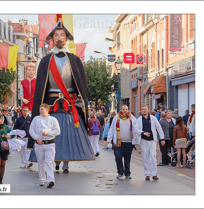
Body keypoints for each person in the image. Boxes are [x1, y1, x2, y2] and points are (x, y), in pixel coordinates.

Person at [28, 15, 95, 173]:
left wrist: (82, 104)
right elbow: (40, 89)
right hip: (50, 105)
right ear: (52, 38)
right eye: (56, 35)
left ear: (67, 38)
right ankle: (53, 161)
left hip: (69, 105)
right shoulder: (45, 60)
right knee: (52, 135)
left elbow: (81, 86)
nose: (59, 38)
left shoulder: (74, 60)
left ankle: (66, 163)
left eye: (62, 35)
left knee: (69, 136)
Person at [29, 104, 60, 188]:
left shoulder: (53, 119)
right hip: (39, 144)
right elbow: (31, 130)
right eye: (40, 109)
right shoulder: (36, 119)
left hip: (50, 144)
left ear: (47, 110)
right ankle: (42, 180)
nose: (40, 111)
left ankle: (50, 180)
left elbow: (57, 131)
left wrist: (48, 133)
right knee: (40, 163)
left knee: (49, 162)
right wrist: (36, 138)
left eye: (42, 109)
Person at [107, 105, 138, 179]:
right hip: (118, 142)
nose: (125, 111)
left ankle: (127, 173)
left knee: (127, 158)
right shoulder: (116, 117)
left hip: (128, 142)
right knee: (118, 156)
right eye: (123, 109)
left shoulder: (132, 118)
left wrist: (137, 140)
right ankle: (120, 172)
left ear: (128, 110)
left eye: (126, 109)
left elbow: (136, 129)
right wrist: (109, 140)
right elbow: (111, 129)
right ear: (121, 109)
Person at [135, 105, 164, 181]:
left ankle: (154, 174)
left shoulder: (153, 118)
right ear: (141, 110)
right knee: (145, 157)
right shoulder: (139, 119)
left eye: (145, 109)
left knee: (153, 156)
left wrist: (162, 138)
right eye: (143, 109)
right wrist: (143, 133)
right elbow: (136, 129)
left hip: (152, 141)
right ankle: (147, 174)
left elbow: (159, 128)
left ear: (148, 110)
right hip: (144, 141)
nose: (144, 110)